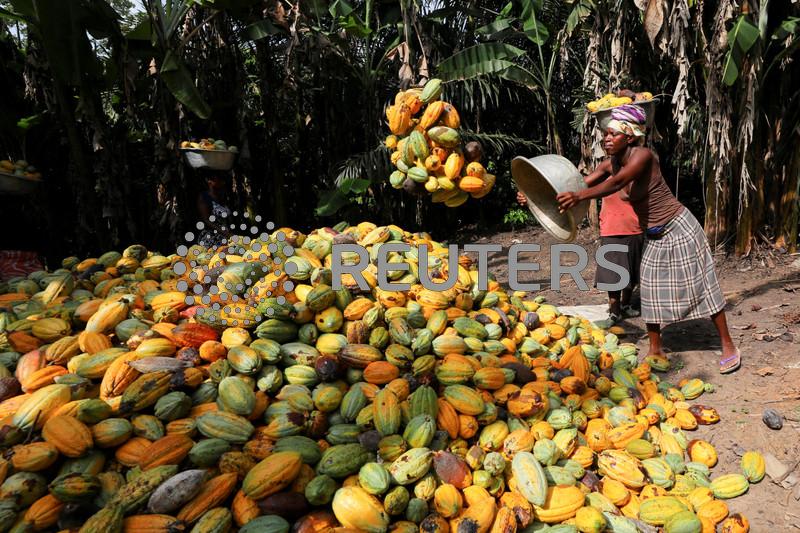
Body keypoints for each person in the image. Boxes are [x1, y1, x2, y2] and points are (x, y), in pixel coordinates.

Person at [555, 104, 741, 374]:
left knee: (702, 285)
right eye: (606, 134)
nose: (607, 139)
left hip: (678, 227)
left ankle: (728, 345)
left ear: (630, 136)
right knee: (651, 289)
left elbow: (617, 183)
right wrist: (543, 194)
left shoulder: (643, 156)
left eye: (613, 134)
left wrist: (579, 196)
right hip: (653, 234)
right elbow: (581, 184)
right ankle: (655, 349)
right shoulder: (610, 163)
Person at [517, 160, 643, 326]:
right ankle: (615, 312)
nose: (608, 145)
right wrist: (532, 196)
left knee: (631, 272)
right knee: (613, 276)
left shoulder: (641, 163)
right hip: (611, 227)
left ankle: (625, 305)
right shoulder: (608, 166)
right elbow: (575, 188)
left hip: (636, 226)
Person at [196, 170, 233, 250]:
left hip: (226, 237)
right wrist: (224, 232)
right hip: (212, 239)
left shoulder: (222, 197)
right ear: (209, 181)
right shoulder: (204, 197)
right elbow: (206, 220)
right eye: (219, 179)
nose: (222, 182)